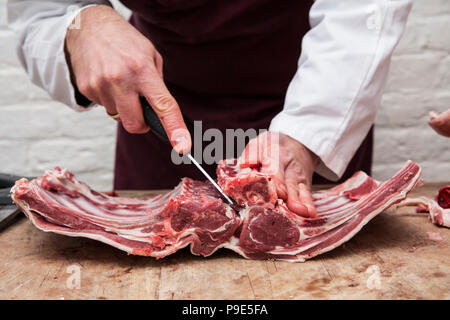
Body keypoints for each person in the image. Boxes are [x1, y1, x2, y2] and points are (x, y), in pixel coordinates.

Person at [7, 0, 412, 218]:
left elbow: (366, 9)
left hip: (314, 94)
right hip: (161, 106)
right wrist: (82, 26)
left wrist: (308, 130)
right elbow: (42, 9)